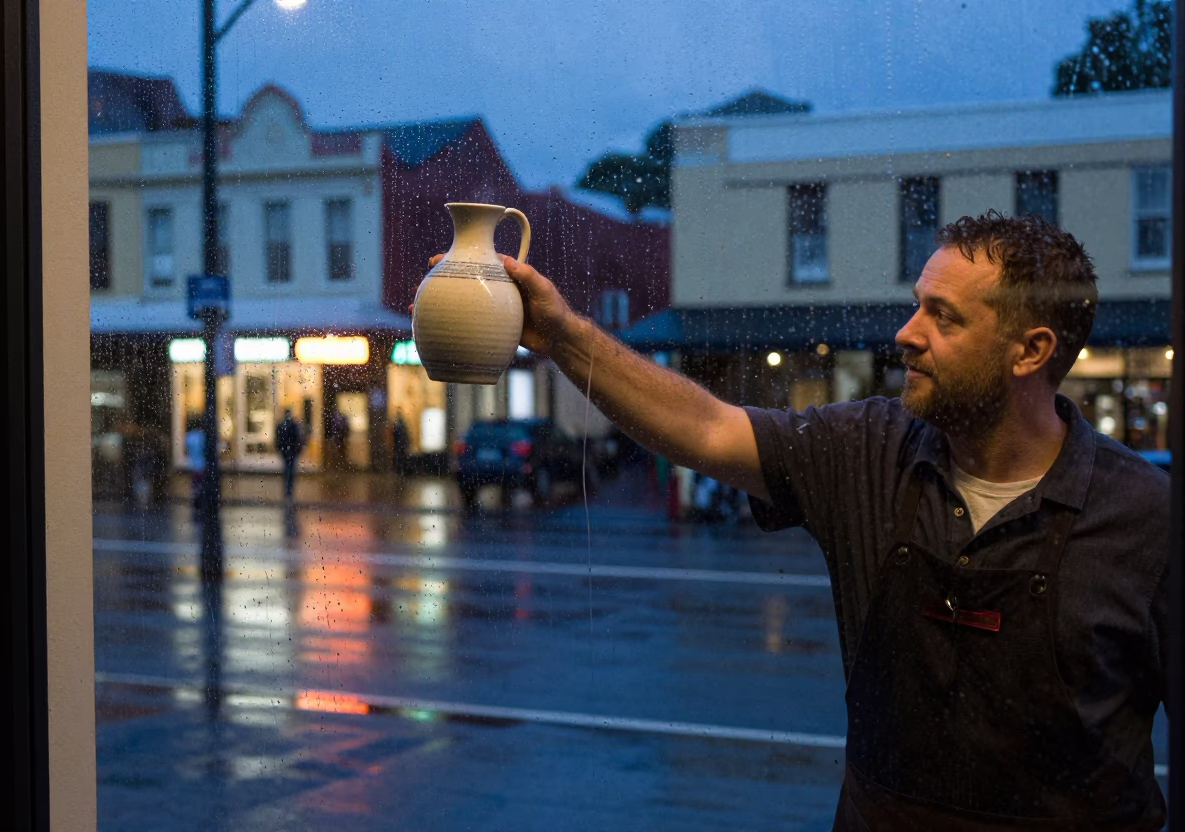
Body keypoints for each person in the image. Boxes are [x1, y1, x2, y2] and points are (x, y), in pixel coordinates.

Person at [429, 211, 1169, 829]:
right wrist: (561, 335)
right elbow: (710, 429)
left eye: (943, 317)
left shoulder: (1147, 519)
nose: (907, 333)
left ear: (1030, 351)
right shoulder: (868, 450)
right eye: (917, 303)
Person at [274, 408, 304, 502]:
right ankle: (288, 490)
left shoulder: (288, 425)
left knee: (289, 470)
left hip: (290, 452)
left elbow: (298, 439)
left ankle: (288, 491)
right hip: (289, 452)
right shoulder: (290, 425)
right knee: (289, 470)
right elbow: (279, 439)